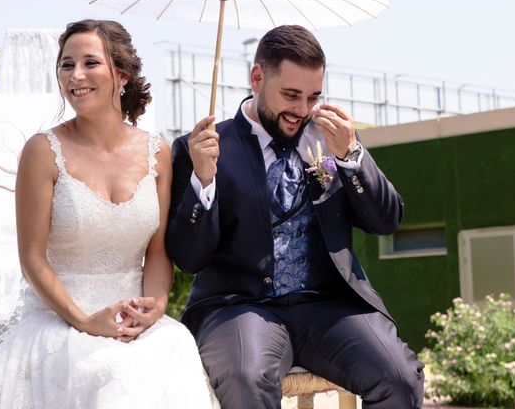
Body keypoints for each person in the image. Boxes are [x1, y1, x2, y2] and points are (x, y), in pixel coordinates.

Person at [166, 25, 425, 408]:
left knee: (400, 377)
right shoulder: (205, 148)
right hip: (239, 307)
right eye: (290, 95)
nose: (302, 110)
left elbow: (386, 221)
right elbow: (189, 259)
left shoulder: (330, 140)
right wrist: (203, 180)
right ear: (257, 77)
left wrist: (352, 156)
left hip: (329, 307)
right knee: (244, 379)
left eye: (313, 97)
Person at [0, 19, 219, 409]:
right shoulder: (41, 152)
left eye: (89, 62)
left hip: (136, 322)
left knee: (176, 348)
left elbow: (158, 252)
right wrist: (82, 320)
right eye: (66, 64)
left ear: (122, 74)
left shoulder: (158, 153)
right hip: (61, 322)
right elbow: (31, 258)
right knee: (112, 379)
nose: (75, 75)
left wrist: (157, 306)